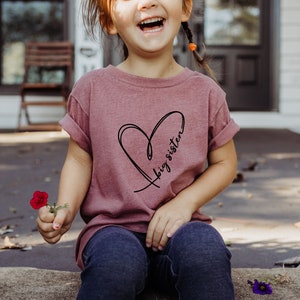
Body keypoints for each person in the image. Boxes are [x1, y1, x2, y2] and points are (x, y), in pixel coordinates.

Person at [36, 0, 240, 299]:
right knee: (116, 263)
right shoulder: (92, 88)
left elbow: (225, 163)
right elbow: (80, 161)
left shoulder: (206, 93)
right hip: (111, 231)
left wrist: (184, 204)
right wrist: (63, 210)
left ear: (185, 9)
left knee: (206, 251)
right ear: (109, 21)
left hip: (181, 229)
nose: (149, 2)